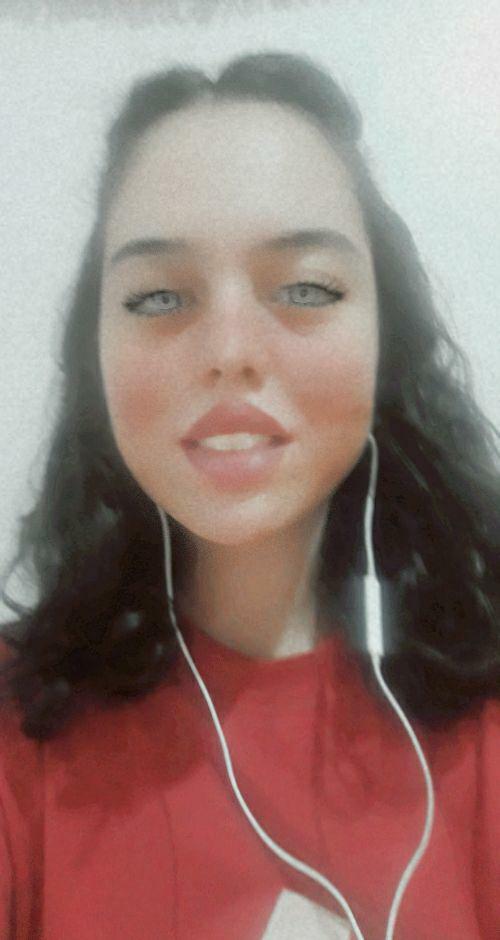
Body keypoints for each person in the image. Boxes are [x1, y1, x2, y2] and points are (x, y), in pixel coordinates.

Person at [0, 50, 499, 940]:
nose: (230, 349)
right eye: (159, 297)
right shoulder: (17, 732)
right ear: (94, 354)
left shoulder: (486, 718)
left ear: (386, 339)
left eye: (305, 287)